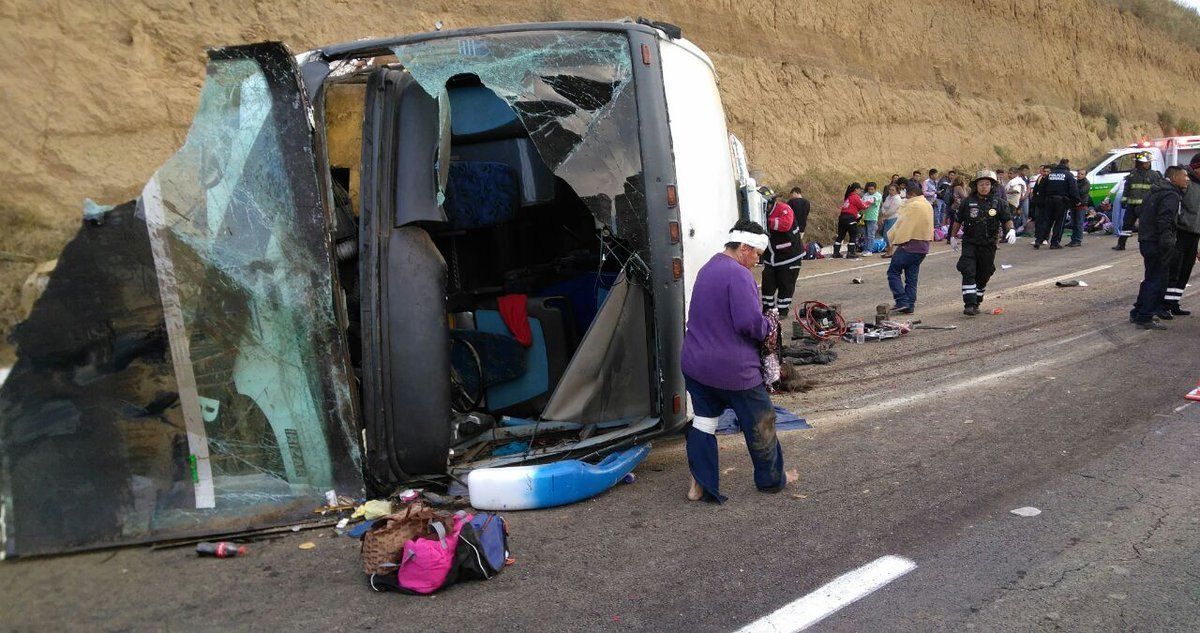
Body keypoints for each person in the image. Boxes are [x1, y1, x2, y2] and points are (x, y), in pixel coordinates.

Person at [681, 220, 792, 502]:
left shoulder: (709, 267)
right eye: (756, 254)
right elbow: (748, 323)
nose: (757, 260)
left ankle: (700, 484)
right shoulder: (739, 275)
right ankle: (772, 481)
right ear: (743, 248)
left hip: (696, 365)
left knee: (704, 424)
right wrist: (768, 326)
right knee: (761, 421)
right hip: (733, 371)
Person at [950, 170, 1016, 315]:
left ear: (992, 186)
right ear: (976, 186)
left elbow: (1007, 219)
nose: (984, 187)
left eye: (987, 184)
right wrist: (953, 237)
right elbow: (957, 220)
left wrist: (1011, 230)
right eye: (981, 184)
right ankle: (969, 304)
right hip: (970, 242)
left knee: (984, 273)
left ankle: (977, 300)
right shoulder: (967, 202)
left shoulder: (999, 203)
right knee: (968, 270)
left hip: (988, 244)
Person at [1130, 166, 1189, 329]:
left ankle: (1138, 312)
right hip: (1157, 243)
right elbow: (1165, 221)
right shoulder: (1170, 195)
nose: (1187, 179)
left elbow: (1141, 211)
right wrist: (1167, 244)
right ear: (1175, 177)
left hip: (1146, 240)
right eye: (1185, 176)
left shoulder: (1155, 190)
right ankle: (1145, 317)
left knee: (1150, 278)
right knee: (1157, 280)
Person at [885, 180, 935, 314]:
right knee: (911, 277)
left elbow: (903, 225)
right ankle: (910, 304)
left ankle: (901, 300)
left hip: (909, 245)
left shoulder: (914, 206)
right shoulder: (927, 204)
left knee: (893, 272)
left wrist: (893, 238)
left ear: (912, 194)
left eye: (907, 195)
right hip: (923, 246)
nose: (906, 198)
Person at [1163, 156, 1200, 316]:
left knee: (1185, 270)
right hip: (1181, 233)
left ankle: (1174, 303)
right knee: (1174, 270)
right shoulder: (1185, 183)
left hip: (1194, 234)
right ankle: (1164, 305)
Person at [761, 197, 804, 319]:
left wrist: (766, 222)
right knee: (767, 284)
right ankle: (768, 310)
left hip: (790, 256)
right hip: (772, 257)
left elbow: (785, 224)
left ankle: (782, 311)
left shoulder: (784, 208)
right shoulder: (761, 212)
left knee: (786, 284)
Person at [1114, 153, 1164, 251]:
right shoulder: (1132, 174)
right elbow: (1127, 188)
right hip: (1132, 205)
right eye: (1146, 162)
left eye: (1149, 162)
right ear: (1140, 163)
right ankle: (1121, 244)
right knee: (1127, 225)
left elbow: (1158, 190)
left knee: (1146, 225)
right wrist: (1124, 200)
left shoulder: (1154, 175)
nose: (1148, 164)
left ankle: (1146, 244)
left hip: (1146, 206)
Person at [1033, 158, 1079, 249]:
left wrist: (1043, 200)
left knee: (1046, 221)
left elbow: (1042, 188)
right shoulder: (1068, 175)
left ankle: (1038, 240)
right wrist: (1076, 201)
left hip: (1049, 200)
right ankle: (1054, 243)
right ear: (1067, 165)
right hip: (1061, 201)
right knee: (1059, 222)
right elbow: (1073, 189)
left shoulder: (1050, 174)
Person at [835, 182, 870, 259]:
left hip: (842, 217)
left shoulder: (848, 197)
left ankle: (836, 252)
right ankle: (850, 252)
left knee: (841, 235)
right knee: (853, 234)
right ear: (856, 189)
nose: (860, 191)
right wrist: (869, 202)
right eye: (859, 189)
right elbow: (863, 206)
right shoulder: (855, 197)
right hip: (850, 217)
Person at [879, 183, 904, 256]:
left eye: (893, 190)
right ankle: (888, 251)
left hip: (893, 218)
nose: (890, 191)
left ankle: (890, 252)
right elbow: (883, 206)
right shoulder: (888, 197)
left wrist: (884, 216)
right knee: (885, 235)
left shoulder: (897, 198)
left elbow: (892, 210)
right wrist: (883, 213)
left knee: (889, 236)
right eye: (890, 189)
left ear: (897, 191)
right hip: (886, 217)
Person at [1068, 169, 1092, 247]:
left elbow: (1080, 192)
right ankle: (1073, 239)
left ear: (1085, 175)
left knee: (1079, 223)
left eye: (1082, 174)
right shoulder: (1075, 182)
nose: (1079, 175)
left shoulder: (1086, 183)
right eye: (1078, 173)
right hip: (1074, 204)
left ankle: (1078, 240)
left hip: (1081, 205)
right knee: (1074, 223)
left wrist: (1073, 193)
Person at [860, 182, 883, 253]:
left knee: (871, 235)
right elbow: (861, 201)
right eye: (869, 189)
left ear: (875, 189)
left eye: (872, 189)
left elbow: (871, 200)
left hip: (872, 217)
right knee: (865, 235)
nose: (870, 191)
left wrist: (864, 203)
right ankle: (866, 249)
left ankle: (870, 250)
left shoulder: (878, 195)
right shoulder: (866, 194)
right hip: (864, 217)